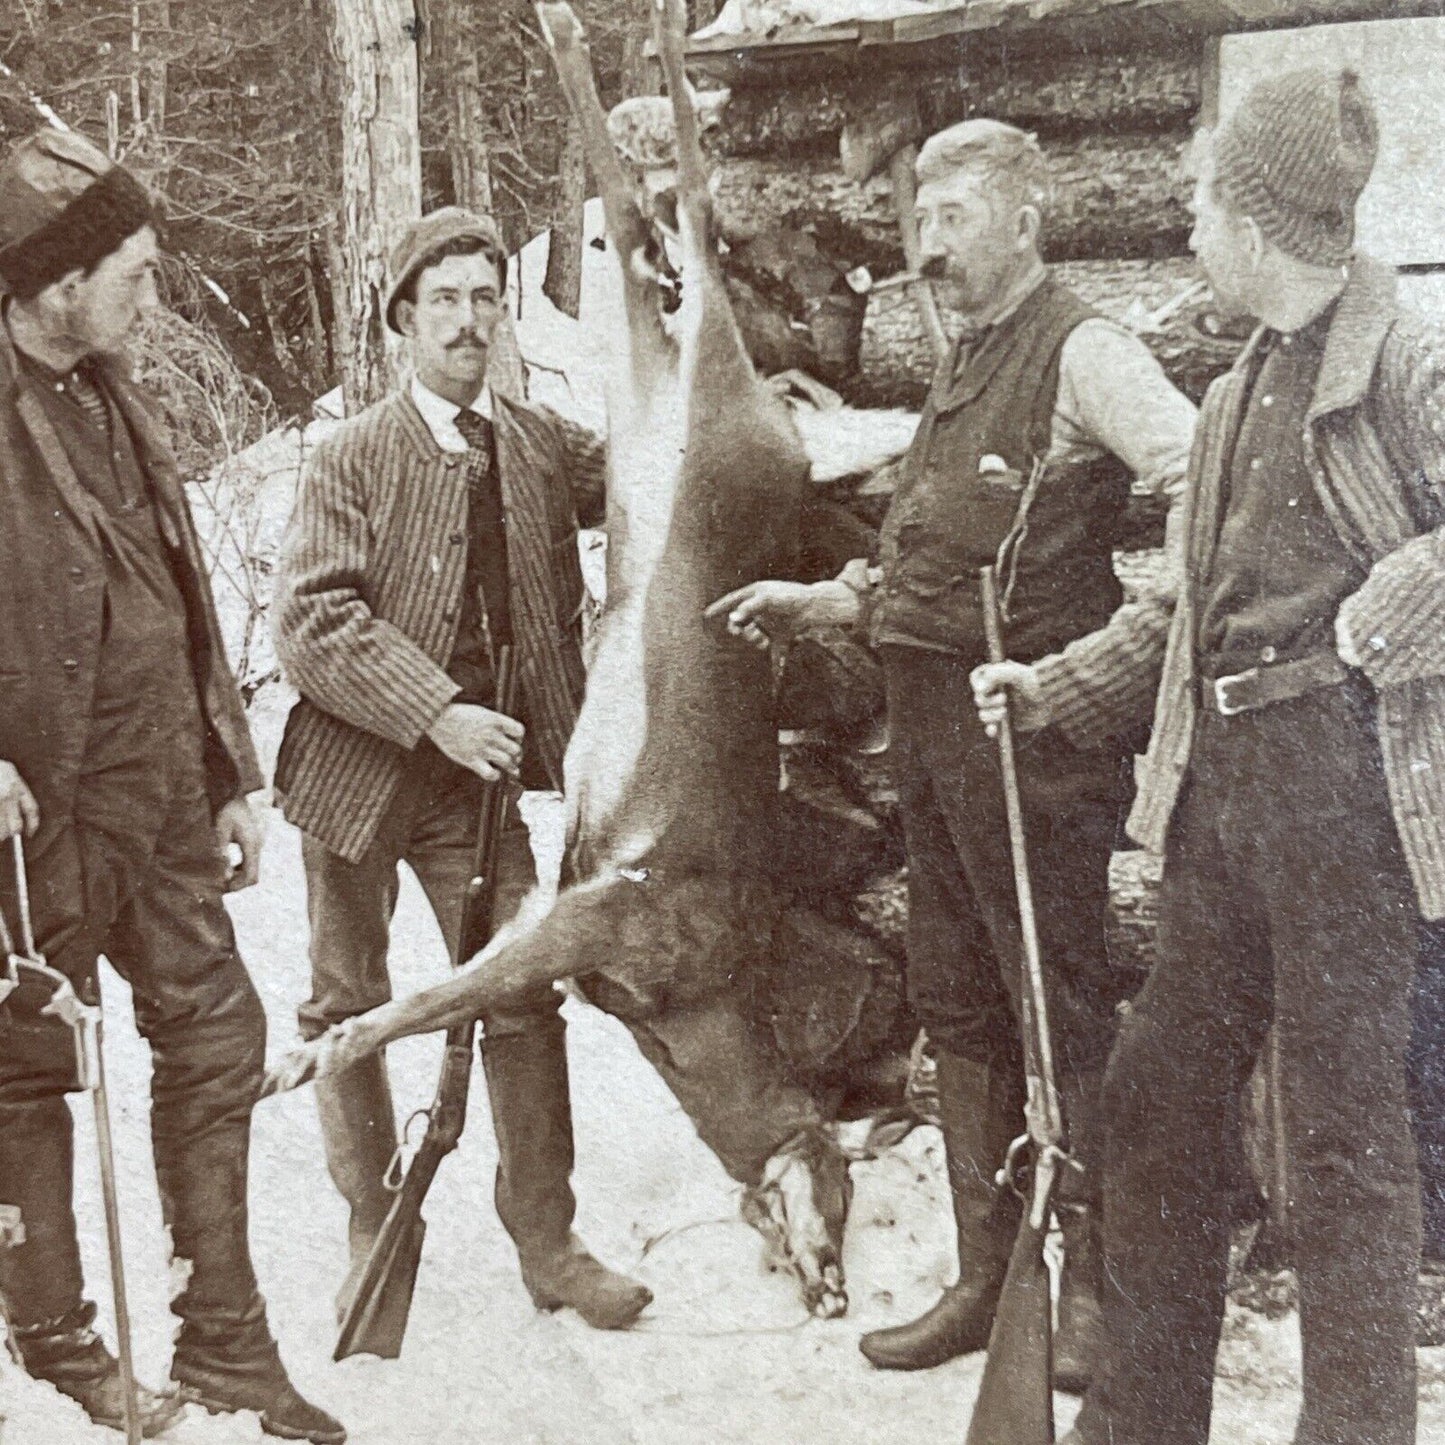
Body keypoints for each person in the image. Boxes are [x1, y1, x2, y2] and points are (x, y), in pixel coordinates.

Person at [972, 69, 1441, 1445]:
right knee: (1159, 1100)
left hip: (1351, 797)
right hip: (1226, 799)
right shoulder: (1239, 384)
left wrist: (1400, 605)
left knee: (1345, 1141)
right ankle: (1142, 1421)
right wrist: (1054, 686)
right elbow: (1189, 613)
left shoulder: (1408, 360)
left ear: (1254, 216)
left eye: (1197, 199)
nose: (1183, 222)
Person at [708, 119, 1196, 1388]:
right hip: (931, 729)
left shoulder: (1081, 347)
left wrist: (1114, 653)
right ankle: (987, 1278)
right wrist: (823, 602)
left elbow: (1205, 477)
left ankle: (1085, 1288)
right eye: (919, 222)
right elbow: (929, 558)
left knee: (1057, 1000)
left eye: (954, 221)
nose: (927, 247)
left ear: (1024, 221)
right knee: (960, 997)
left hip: (1024, 732)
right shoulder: (963, 358)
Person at [0, 131, 344, 1443]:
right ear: (48, 283)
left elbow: (183, 600)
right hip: (39, 815)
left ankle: (224, 1338)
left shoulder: (110, 393)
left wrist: (226, 775)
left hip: (156, 795)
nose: (151, 295)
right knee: (23, 1068)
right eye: (130, 274)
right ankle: (56, 1334)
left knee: (215, 1035)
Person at [271, 207, 652, 1333]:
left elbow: (650, 464)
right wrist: (436, 710)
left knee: (522, 996)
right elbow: (311, 619)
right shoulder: (349, 454)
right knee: (347, 997)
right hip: (354, 777)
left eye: (486, 295)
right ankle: (366, 1221)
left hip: (479, 794)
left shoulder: (537, 446)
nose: (468, 319)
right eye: (443, 298)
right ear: (402, 321)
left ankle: (547, 1239)